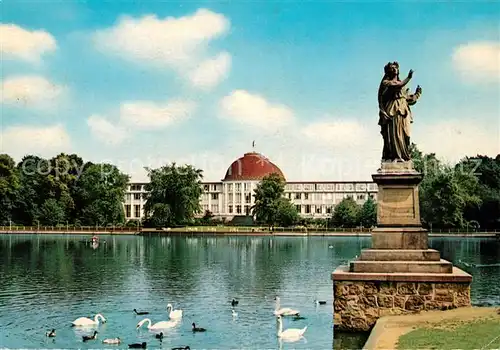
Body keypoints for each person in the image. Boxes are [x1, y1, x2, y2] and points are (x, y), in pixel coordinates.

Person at [378, 61, 422, 162]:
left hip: (404, 111)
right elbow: (397, 86)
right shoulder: (387, 83)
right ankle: (396, 156)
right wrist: (409, 77)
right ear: (388, 71)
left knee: (406, 135)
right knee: (396, 135)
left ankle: (403, 155)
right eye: (392, 68)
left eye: (395, 67)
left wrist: (417, 94)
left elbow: (408, 99)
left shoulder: (402, 85)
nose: (394, 69)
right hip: (394, 110)